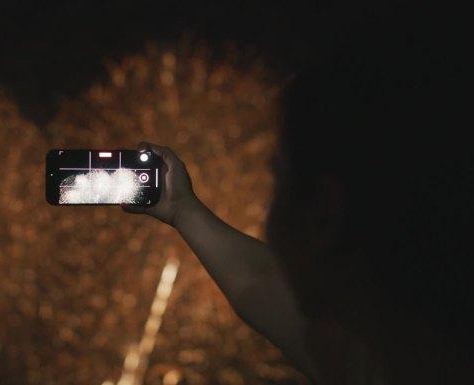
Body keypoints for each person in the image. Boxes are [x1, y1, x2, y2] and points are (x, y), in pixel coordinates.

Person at [122, 9, 472, 385]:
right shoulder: (392, 352)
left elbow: (263, 283)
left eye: (278, 182)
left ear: (323, 214)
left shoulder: (378, 365)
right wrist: (182, 209)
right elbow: (259, 281)